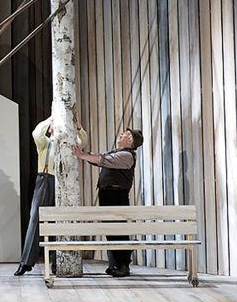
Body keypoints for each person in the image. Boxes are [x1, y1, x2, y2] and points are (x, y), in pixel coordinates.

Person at [72, 126, 143, 277]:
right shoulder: (117, 153)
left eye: (126, 134)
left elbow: (102, 160)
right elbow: (99, 158)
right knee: (111, 230)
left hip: (117, 195)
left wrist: (81, 155)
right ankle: (116, 263)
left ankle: (123, 264)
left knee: (118, 231)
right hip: (109, 194)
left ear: (130, 141)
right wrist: (84, 155)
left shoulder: (127, 156)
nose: (121, 134)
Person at [14, 116, 55, 276]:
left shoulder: (68, 143)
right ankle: (26, 262)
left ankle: (57, 262)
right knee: (35, 219)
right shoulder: (46, 142)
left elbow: (82, 140)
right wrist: (51, 119)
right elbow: (37, 133)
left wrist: (77, 127)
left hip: (63, 182)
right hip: (45, 179)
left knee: (60, 222)